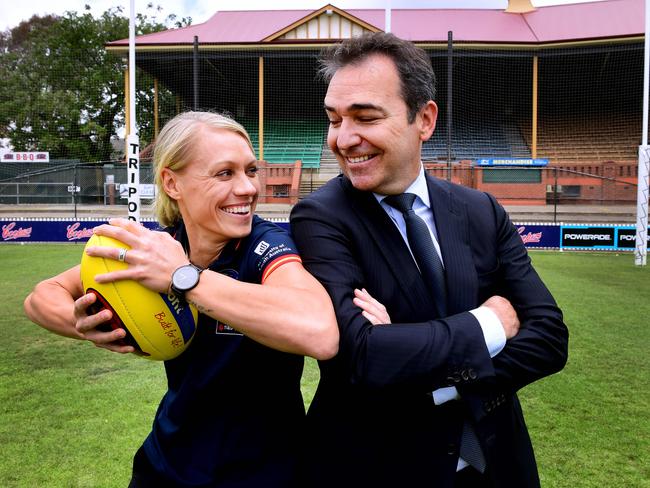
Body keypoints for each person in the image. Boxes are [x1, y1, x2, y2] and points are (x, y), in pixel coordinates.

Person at [290, 33, 569, 488]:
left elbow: (550, 339)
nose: (343, 139)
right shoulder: (321, 217)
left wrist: (412, 357)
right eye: (334, 118)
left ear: (424, 118)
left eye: (365, 117)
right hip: (379, 470)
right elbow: (360, 359)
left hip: (498, 464)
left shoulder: (481, 210)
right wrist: (489, 326)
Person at [24, 111, 338, 487]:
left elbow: (320, 332)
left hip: (262, 472)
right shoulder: (158, 250)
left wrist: (183, 278)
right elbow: (41, 297)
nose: (248, 188)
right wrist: (87, 326)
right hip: (166, 466)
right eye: (225, 173)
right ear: (172, 182)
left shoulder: (264, 245)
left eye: (250, 170)